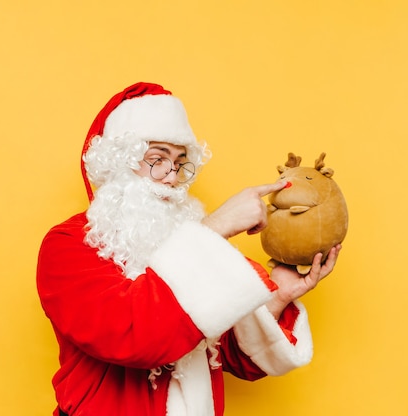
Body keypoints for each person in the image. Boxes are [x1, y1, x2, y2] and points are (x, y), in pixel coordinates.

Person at [37, 82, 341, 416]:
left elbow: (224, 353)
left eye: (180, 162)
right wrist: (216, 228)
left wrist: (279, 296)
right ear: (118, 163)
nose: (170, 176)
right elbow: (134, 336)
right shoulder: (68, 246)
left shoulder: (186, 242)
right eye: (157, 159)